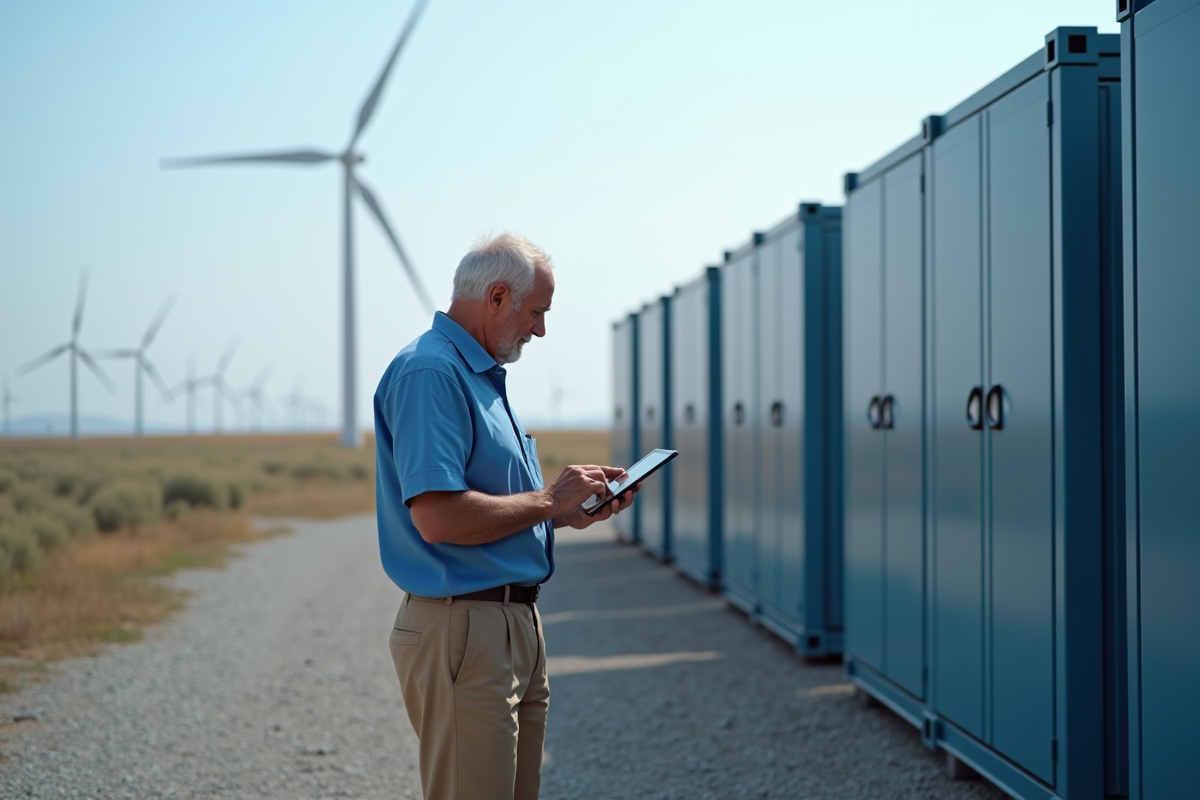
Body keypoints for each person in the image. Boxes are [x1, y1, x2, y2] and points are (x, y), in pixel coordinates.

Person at [373, 232, 633, 800]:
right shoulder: (431, 374)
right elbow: (439, 518)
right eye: (537, 311)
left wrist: (564, 514)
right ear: (496, 297)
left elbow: (488, 507)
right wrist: (547, 500)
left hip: (510, 624)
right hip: (465, 624)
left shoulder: (478, 375)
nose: (540, 329)